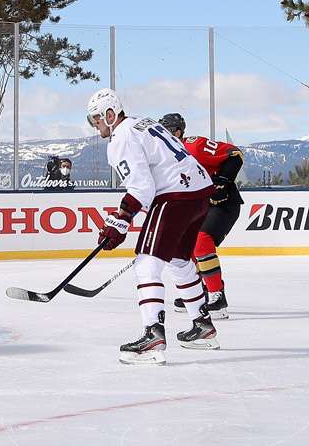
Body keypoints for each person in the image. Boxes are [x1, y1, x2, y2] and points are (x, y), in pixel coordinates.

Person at [86, 89, 219, 365]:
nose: (94, 124)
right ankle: (202, 327)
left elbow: (142, 187)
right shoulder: (142, 122)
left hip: (175, 196)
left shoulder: (121, 136)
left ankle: (153, 336)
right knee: (180, 261)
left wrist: (120, 219)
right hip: (199, 193)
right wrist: (122, 219)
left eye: (96, 118)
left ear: (111, 115)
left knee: (146, 263)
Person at [159, 112, 243, 320]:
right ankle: (202, 291)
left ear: (177, 132)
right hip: (200, 206)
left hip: (223, 204)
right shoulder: (163, 159)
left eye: (167, 131)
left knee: (201, 241)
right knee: (186, 247)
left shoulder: (194, 146)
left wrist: (222, 183)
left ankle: (217, 296)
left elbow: (235, 155)